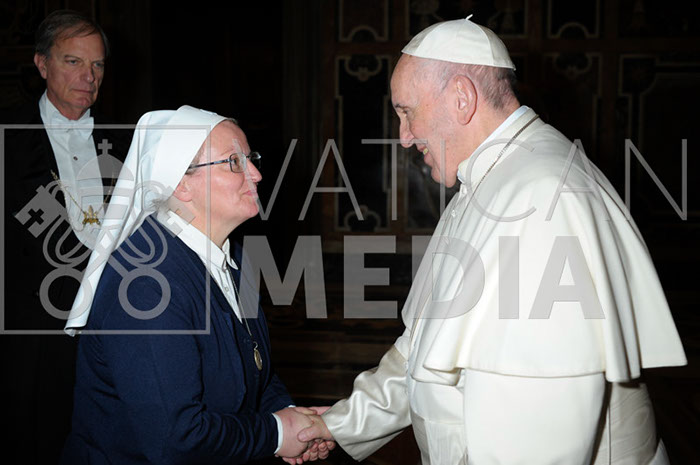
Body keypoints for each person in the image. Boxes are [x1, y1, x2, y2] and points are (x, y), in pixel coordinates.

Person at [298, 17, 687, 464]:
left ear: (462, 97)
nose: (404, 137)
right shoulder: (494, 177)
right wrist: (337, 423)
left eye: (407, 112)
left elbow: (540, 440)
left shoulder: (542, 200)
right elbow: (422, 352)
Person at [59, 105, 331, 464]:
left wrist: (294, 420)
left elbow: (254, 368)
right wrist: (276, 433)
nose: (256, 174)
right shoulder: (144, 286)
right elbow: (174, 440)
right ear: (181, 184)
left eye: (250, 159)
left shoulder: (232, 255)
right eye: (234, 162)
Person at [1, 10, 129, 464]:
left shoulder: (125, 142)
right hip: (29, 338)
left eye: (97, 65)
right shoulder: (7, 139)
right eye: (73, 61)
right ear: (42, 64)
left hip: (109, 327)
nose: (88, 76)